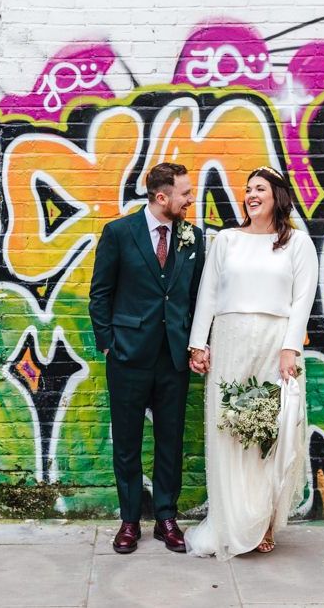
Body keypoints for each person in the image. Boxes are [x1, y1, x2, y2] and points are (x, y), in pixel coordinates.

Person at [185, 166, 318, 560]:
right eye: (247, 190)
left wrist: (290, 348)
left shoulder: (296, 243)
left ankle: (261, 523)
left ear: (278, 195)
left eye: (259, 188)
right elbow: (208, 293)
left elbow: (302, 299)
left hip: (273, 346)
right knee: (231, 430)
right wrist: (198, 344)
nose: (251, 194)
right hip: (230, 344)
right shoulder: (226, 240)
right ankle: (231, 521)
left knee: (267, 435)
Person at [89, 162, 205, 554]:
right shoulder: (119, 233)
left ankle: (167, 518)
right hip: (127, 356)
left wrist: (196, 342)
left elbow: (197, 295)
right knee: (127, 442)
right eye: (185, 194)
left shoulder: (193, 237)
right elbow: (100, 293)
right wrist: (108, 343)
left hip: (173, 357)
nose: (191, 200)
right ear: (162, 197)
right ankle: (129, 521)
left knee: (170, 440)